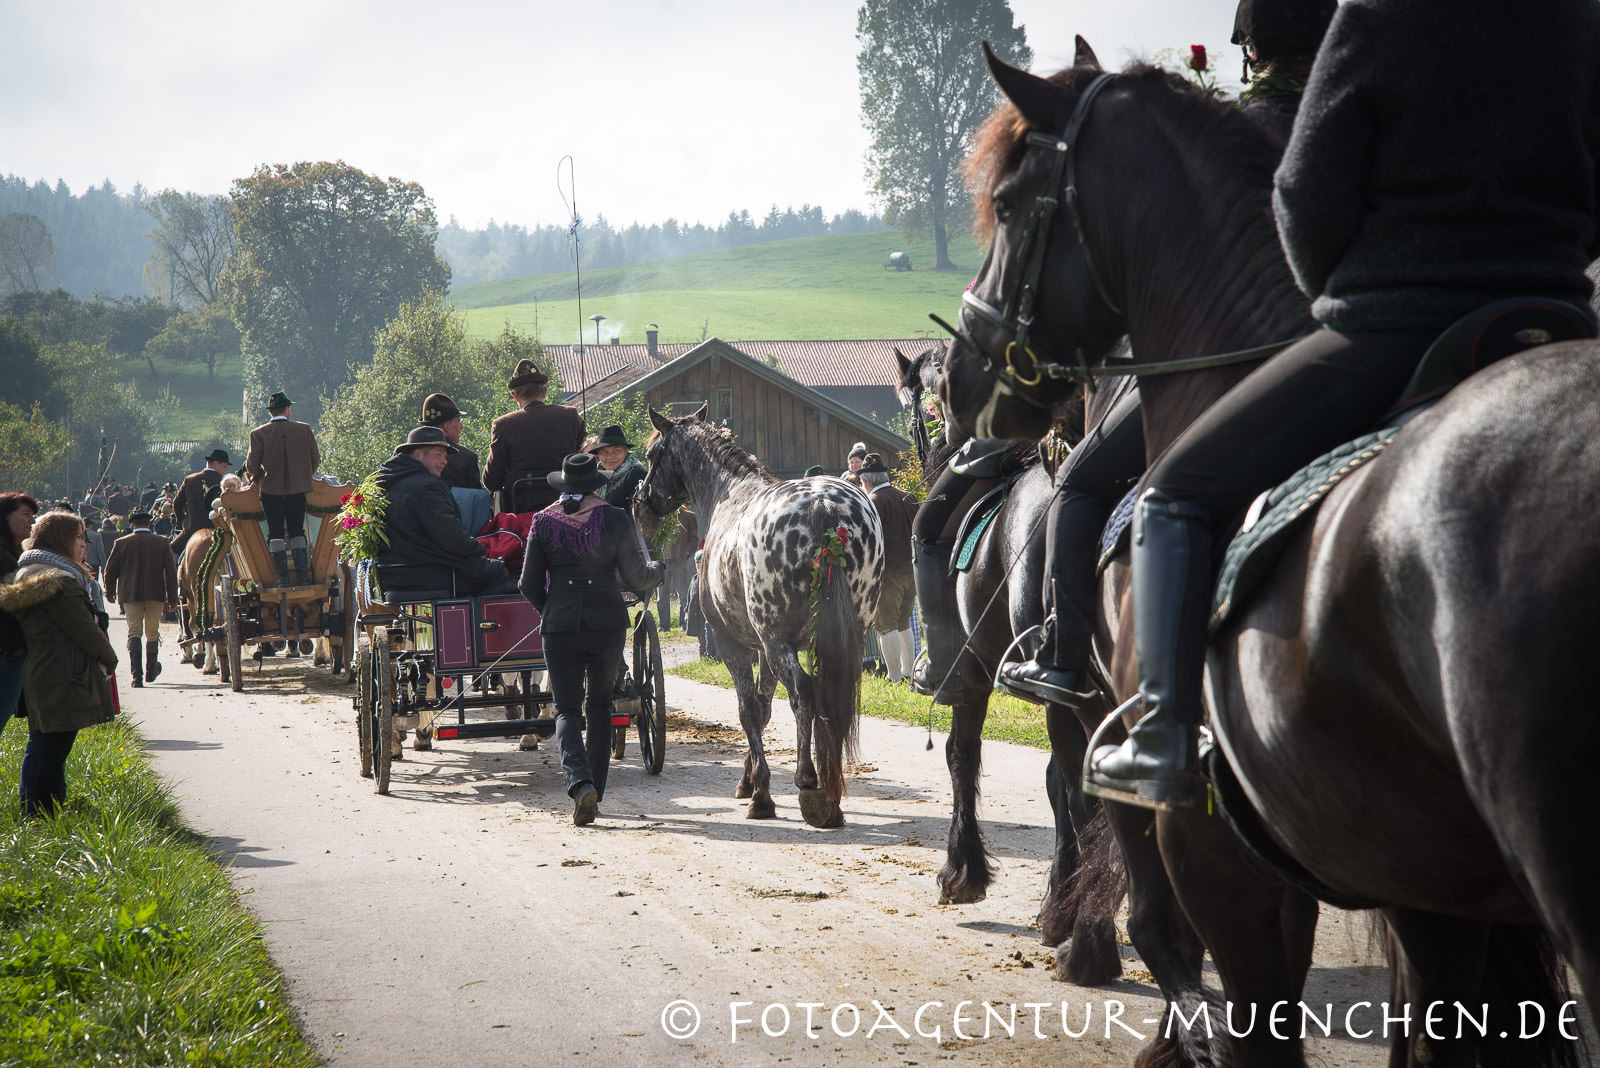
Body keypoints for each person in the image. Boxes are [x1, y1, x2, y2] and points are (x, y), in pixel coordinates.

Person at [1085, 0, 1600, 809]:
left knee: (1174, 494)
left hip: (1398, 319)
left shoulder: (1381, 12)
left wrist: (1338, 292)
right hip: (1559, 314)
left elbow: (1304, 196)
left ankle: (1161, 739)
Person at [998, 0, 1338, 711]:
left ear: (1251, 50)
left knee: (1081, 482)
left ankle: (1065, 655)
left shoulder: (1235, 138)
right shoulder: (1342, 114)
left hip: (1252, 361)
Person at [519, 453, 664, 825]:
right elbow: (636, 576)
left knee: (566, 709)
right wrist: (658, 570)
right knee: (599, 705)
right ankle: (595, 790)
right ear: (596, 485)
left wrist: (551, 610)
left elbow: (528, 584)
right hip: (607, 623)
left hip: (560, 626)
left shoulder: (543, 521)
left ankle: (580, 783)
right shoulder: (615, 518)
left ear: (564, 485)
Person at [0, 509, 118, 817]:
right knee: (53, 751)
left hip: (43, 668)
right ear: (60, 539)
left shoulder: (31, 569)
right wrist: (109, 658)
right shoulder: (61, 581)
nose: (83, 545)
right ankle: (45, 816)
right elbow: (84, 630)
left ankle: (33, 811)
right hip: (62, 672)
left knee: (41, 745)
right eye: (78, 537)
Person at [373, 426, 518, 597]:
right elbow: (450, 537)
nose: (444, 461)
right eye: (438, 455)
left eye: (445, 457)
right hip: (432, 572)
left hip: (392, 576)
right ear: (418, 454)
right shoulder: (428, 486)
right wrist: (479, 549)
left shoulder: (383, 487)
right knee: (496, 571)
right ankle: (475, 615)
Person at [484, 359, 585, 514]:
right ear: (544, 391)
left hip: (521, 516)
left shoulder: (503, 425)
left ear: (515, 396)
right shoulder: (571, 416)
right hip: (568, 512)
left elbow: (491, 482)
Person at [245, 390, 320, 587]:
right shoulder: (304, 429)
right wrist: (302, 477)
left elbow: (252, 466)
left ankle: (282, 577)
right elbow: (315, 459)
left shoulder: (258, 433)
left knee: (275, 533)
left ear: (271, 411)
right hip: (297, 489)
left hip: (270, 491)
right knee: (297, 530)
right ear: (287, 409)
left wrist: (259, 478)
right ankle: (302, 576)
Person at [101, 508, 179, 688]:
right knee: (152, 632)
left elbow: (110, 571)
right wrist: (172, 597)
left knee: (134, 632)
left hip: (130, 595)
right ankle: (151, 671)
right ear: (149, 523)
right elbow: (171, 572)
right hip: (156, 594)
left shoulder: (121, 542)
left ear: (132, 523)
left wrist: (110, 592)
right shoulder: (162, 542)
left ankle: (136, 677)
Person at [859, 454, 919, 682]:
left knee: (886, 625)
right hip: (911, 569)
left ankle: (893, 676)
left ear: (866, 481)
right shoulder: (909, 497)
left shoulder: (873, 501)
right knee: (904, 623)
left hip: (887, 572)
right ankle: (908, 672)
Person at [0, 492, 40, 733]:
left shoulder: (13, 554)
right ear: (4, 517)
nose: (31, 521)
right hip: (6, 651)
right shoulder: (3, 557)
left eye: (33, 516)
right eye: (25, 514)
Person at [171, 448, 230, 557]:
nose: (226, 469)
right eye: (225, 466)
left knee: (172, 550)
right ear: (215, 464)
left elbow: (177, 504)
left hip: (192, 529)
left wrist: (182, 521)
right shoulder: (226, 482)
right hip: (219, 531)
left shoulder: (190, 479)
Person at [421, 393, 484, 491]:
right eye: (458, 421)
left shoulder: (409, 453)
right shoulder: (467, 458)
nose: (462, 427)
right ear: (447, 426)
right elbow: (475, 497)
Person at [590, 425, 646, 507]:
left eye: (616, 451)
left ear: (626, 451)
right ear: (598, 455)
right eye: (604, 452)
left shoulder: (637, 475)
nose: (609, 457)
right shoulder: (598, 477)